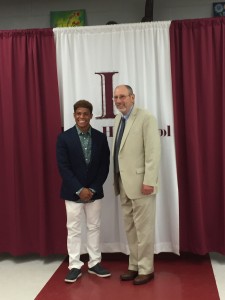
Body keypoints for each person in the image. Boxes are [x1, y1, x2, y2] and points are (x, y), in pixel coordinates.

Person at [56, 100, 111, 283]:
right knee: (73, 230)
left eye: (85, 114)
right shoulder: (64, 138)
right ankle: (74, 265)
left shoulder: (100, 138)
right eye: (78, 113)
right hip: (72, 193)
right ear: (74, 115)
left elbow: (104, 166)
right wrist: (80, 190)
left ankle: (95, 263)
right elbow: (63, 167)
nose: (82, 117)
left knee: (94, 228)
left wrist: (93, 189)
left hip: (94, 193)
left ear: (91, 116)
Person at [112, 85, 161, 285]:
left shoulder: (146, 118)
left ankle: (146, 269)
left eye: (122, 96)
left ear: (132, 97)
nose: (118, 100)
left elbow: (153, 152)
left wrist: (149, 181)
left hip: (142, 184)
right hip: (123, 183)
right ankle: (134, 265)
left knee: (144, 229)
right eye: (115, 97)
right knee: (131, 229)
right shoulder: (118, 119)